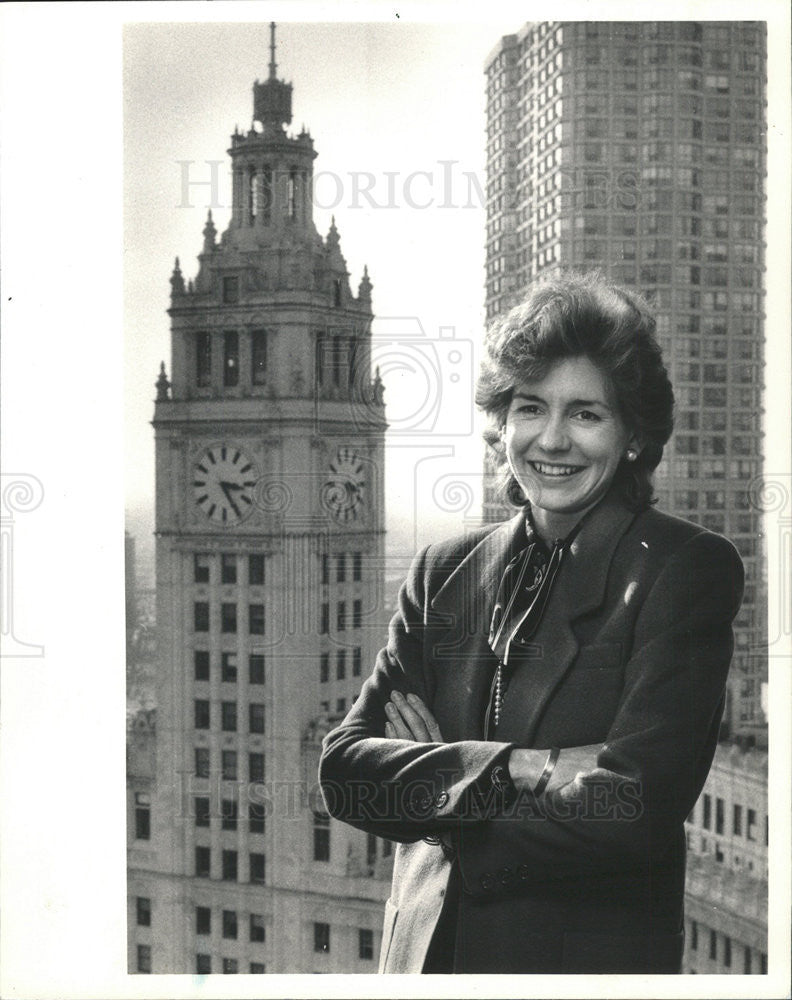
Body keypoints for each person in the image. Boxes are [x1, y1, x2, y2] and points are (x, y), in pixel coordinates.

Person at [318, 271, 745, 975]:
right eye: (529, 407)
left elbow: (630, 809)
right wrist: (524, 767)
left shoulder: (682, 570)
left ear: (634, 435)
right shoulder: (442, 572)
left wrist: (433, 792)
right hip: (419, 964)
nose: (552, 439)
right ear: (501, 425)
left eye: (585, 414)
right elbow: (345, 773)